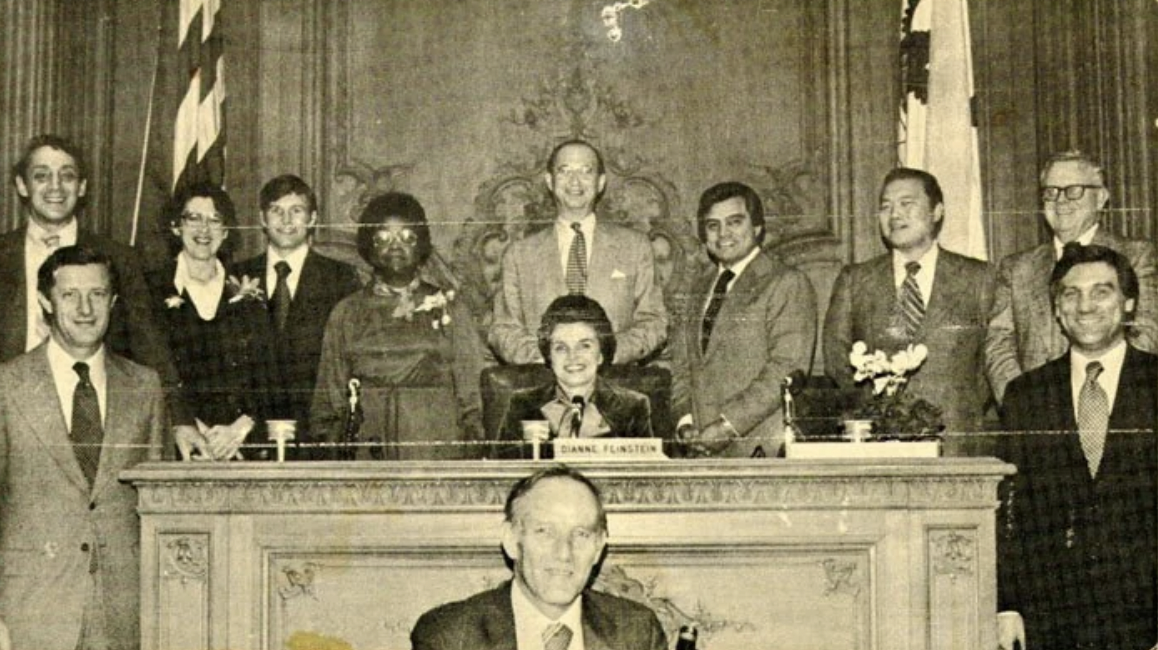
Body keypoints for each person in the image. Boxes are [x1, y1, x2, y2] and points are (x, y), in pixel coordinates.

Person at [0, 245, 165, 650]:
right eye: (70, 295)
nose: (85, 308)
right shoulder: (7, 386)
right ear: (45, 302)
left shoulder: (144, 386)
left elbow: (159, 509)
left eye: (96, 294)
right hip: (33, 606)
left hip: (124, 608)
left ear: (112, 301)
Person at [997, 244, 1156, 650]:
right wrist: (1007, 605)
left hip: (1143, 613)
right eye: (1071, 293)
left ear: (1129, 304)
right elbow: (1010, 506)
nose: (1085, 305)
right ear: (1056, 310)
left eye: (1101, 291)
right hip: (1051, 613)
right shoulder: (1026, 394)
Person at [410, 465, 667, 650]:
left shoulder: (637, 632)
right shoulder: (451, 636)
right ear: (512, 540)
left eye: (581, 534)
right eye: (544, 532)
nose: (564, 553)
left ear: (598, 548)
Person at [311, 192, 486, 459]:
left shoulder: (449, 307)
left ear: (422, 245)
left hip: (434, 450)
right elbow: (329, 401)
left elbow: (472, 394)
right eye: (383, 237)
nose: (395, 246)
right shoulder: (347, 313)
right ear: (368, 246)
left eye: (407, 237)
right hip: (367, 451)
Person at [823, 168, 995, 433]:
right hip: (878, 438)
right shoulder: (854, 280)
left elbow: (989, 362)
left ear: (936, 212)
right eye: (886, 207)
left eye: (907, 204)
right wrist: (874, 407)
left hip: (955, 438)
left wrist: (956, 406)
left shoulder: (979, 278)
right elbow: (838, 361)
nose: (894, 215)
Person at [985, 150, 1158, 403]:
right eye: (1051, 191)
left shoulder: (1138, 255)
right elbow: (998, 346)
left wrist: (1117, 399)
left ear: (1100, 198)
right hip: (1037, 414)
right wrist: (1024, 406)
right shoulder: (1017, 267)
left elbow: (1148, 331)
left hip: (1115, 407)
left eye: (1074, 190)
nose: (1061, 201)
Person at [0, 134, 176, 381]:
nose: (55, 186)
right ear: (21, 185)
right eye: (42, 176)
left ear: (81, 187)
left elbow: (151, 350)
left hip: (91, 402)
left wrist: (180, 419)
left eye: (67, 176)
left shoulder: (119, 258)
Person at [489, 139, 668, 365]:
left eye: (586, 171)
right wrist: (552, 358)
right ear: (550, 181)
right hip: (544, 389)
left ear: (601, 182)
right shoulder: (519, 254)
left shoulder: (635, 247)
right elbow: (503, 329)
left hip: (614, 385)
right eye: (564, 171)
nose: (575, 181)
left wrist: (605, 354)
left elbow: (654, 322)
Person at [671, 182, 816, 457]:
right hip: (699, 450)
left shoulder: (786, 282)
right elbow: (682, 367)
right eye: (713, 225)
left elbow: (785, 368)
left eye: (734, 222)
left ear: (758, 228)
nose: (723, 234)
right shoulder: (697, 287)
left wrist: (728, 426)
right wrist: (685, 422)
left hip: (759, 446)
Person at [145, 183, 276, 460]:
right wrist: (191, 427)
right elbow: (145, 372)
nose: (204, 229)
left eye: (215, 220)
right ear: (175, 227)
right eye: (193, 218)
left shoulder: (250, 292)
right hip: (177, 446)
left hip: (242, 449)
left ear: (226, 232)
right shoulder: (150, 289)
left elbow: (270, 378)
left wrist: (240, 430)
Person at [234, 175, 362, 444]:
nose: (286, 221)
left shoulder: (340, 278)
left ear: (313, 219)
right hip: (247, 435)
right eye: (276, 211)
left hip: (315, 433)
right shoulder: (235, 277)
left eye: (297, 211)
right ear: (262, 219)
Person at [497, 294, 653, 455]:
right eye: (561, 348)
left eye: (584, 346)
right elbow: (502, 474)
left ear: (601, 354)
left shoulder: (633, 406)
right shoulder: (522, 405)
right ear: (549, 356)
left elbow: (645, 475)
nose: (572, 357)